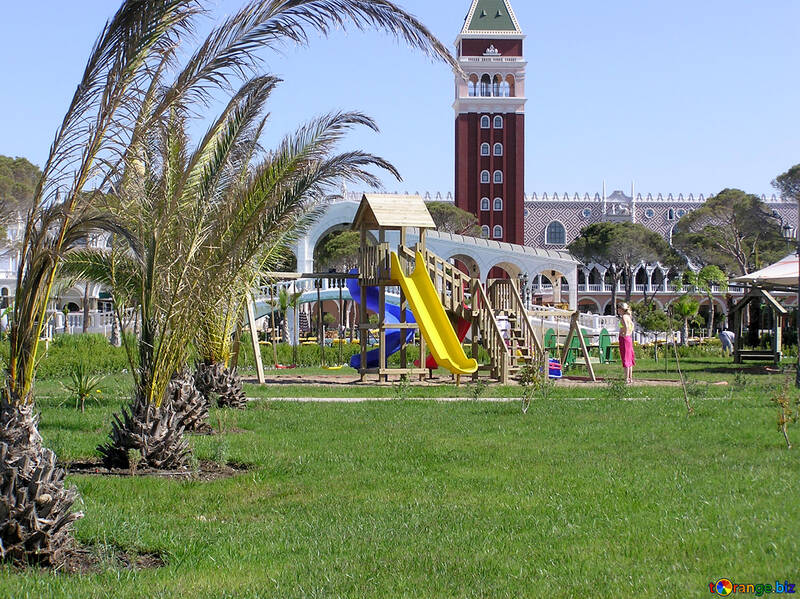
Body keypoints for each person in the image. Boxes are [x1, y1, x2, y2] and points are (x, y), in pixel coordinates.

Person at [616, 302, 636, 384]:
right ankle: (630, 378)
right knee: (629, 358)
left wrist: (624, 334)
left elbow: (627, 327)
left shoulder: (624, 317)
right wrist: (629, 334)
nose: (617, 310)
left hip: (624, 339)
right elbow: (632, 326)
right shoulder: (628, 317)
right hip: (628, 339)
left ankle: (626, 379)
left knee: (625, 358)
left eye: (618, 308)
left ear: (621, 309)